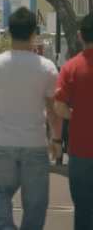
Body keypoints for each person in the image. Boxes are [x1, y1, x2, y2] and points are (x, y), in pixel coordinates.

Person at [0, 6, 63, 230]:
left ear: (8, 32)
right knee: (36, 204)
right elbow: (53, 110)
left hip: (1, 142)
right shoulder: (47, 68)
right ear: (34, 33)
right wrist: (56, 139)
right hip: (35, 143)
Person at [54, 12, 93, 230]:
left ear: (80, 36)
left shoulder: (71, 67)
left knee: (83, 210)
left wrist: (77, 115)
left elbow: (58, 106)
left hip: (80, 151)